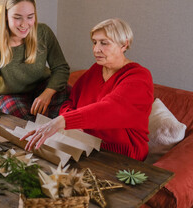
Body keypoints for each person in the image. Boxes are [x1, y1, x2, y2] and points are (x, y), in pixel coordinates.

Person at [21, 18, 154, 161]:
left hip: (123, 155)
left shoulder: (139, 77)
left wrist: (61, 121)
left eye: (104, 43)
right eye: (95, 42)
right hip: (85, 144)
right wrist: (75, 125)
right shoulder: (96, 70)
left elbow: (110, 108)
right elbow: (70, 102)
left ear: (124, 44)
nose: (96, 49)